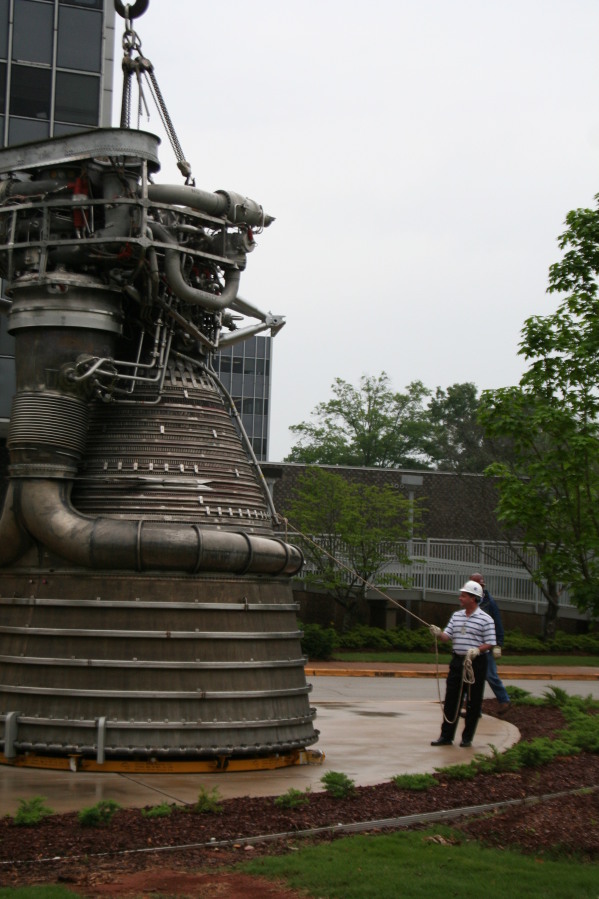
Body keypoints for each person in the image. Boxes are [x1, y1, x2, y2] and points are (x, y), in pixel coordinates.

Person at [429, 580, 496, 748]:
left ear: (473, 598)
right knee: (451, 699)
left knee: (473, 701)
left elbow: (490, 642)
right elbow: (447, 636)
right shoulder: (456, 616)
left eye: (463, 595)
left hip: (475, 664)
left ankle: (467, 738)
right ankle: (446, 736)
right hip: (457, 661)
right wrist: (439, 633)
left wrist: (477, 650)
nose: (460, 598)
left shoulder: (485, 619)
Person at [470, 572, 510, 715]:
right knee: (473, 678)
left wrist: (498, 644)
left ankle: (504, 700)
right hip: (473, 645)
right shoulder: (470, 601)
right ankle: (475, 709)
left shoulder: (489, 603)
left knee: (490, 674)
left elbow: (497, 623)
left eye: (479, 585)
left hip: (487, 645)